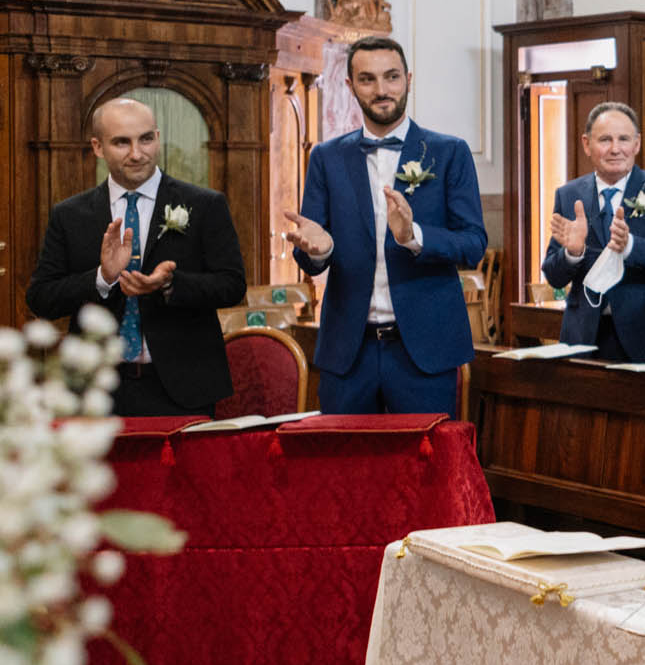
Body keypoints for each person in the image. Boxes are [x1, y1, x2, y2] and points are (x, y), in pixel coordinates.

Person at [284, 36, 486, 415]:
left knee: (424, 466)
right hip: (348, 351)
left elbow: (473, 243)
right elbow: (309, 252)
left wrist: (414, 237)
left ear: (408, 79)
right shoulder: (327, 158)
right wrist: (320, 250)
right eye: (367, 79)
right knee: (345, 467)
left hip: (424, 351)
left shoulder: (448, 152)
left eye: (392, 77)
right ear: (349, 86)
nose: (381, 90)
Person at [26, 98, 246, 416]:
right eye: (121, 142)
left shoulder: (205, 205)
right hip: (97, 391)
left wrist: (170, 283)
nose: (137, 153)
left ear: (157, 137)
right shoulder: (69, 215)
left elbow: (233, 285)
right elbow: (41, 298)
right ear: (98, 147)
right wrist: (102, 278)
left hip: (184, 387)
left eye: (146, 138)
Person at [540, 102, 645, 363]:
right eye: (605, 140)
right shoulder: (569, 195)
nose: (615, 149)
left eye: (623, 139)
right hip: (585, 337)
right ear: (587, 144)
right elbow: (553, 275)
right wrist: (573, 254)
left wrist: (631, 246)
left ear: (637, 144)